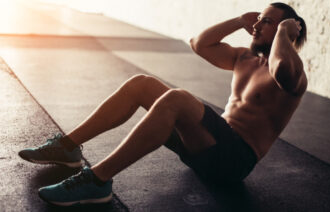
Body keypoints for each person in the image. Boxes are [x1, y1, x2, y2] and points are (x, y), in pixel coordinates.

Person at [19, 2, 307, 206]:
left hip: (233, 162)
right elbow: (199, 43)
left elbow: (281, 70)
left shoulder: (293, 72)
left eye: (266, 21)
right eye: (259, 18)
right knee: (142, 84)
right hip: (204, 146)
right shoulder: (244, 58)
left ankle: (96, 180)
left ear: (286, 30)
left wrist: (283, 32)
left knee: (176, 99)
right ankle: (68, 146)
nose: (257, 24)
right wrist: (238, 21)